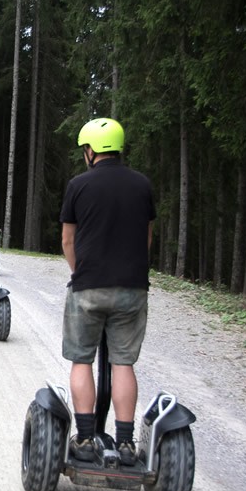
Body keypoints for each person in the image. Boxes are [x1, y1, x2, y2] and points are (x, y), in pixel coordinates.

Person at [59, 117, 155, 466]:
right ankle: (127, 444)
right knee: (123, 363)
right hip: (132, 288)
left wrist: (78, 273)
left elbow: (68, 240)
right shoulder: (142, 185)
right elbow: (146, 238)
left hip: (89, 286)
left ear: (90, 151)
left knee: (82, 359)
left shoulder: (78, 186)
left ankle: (85, 438)